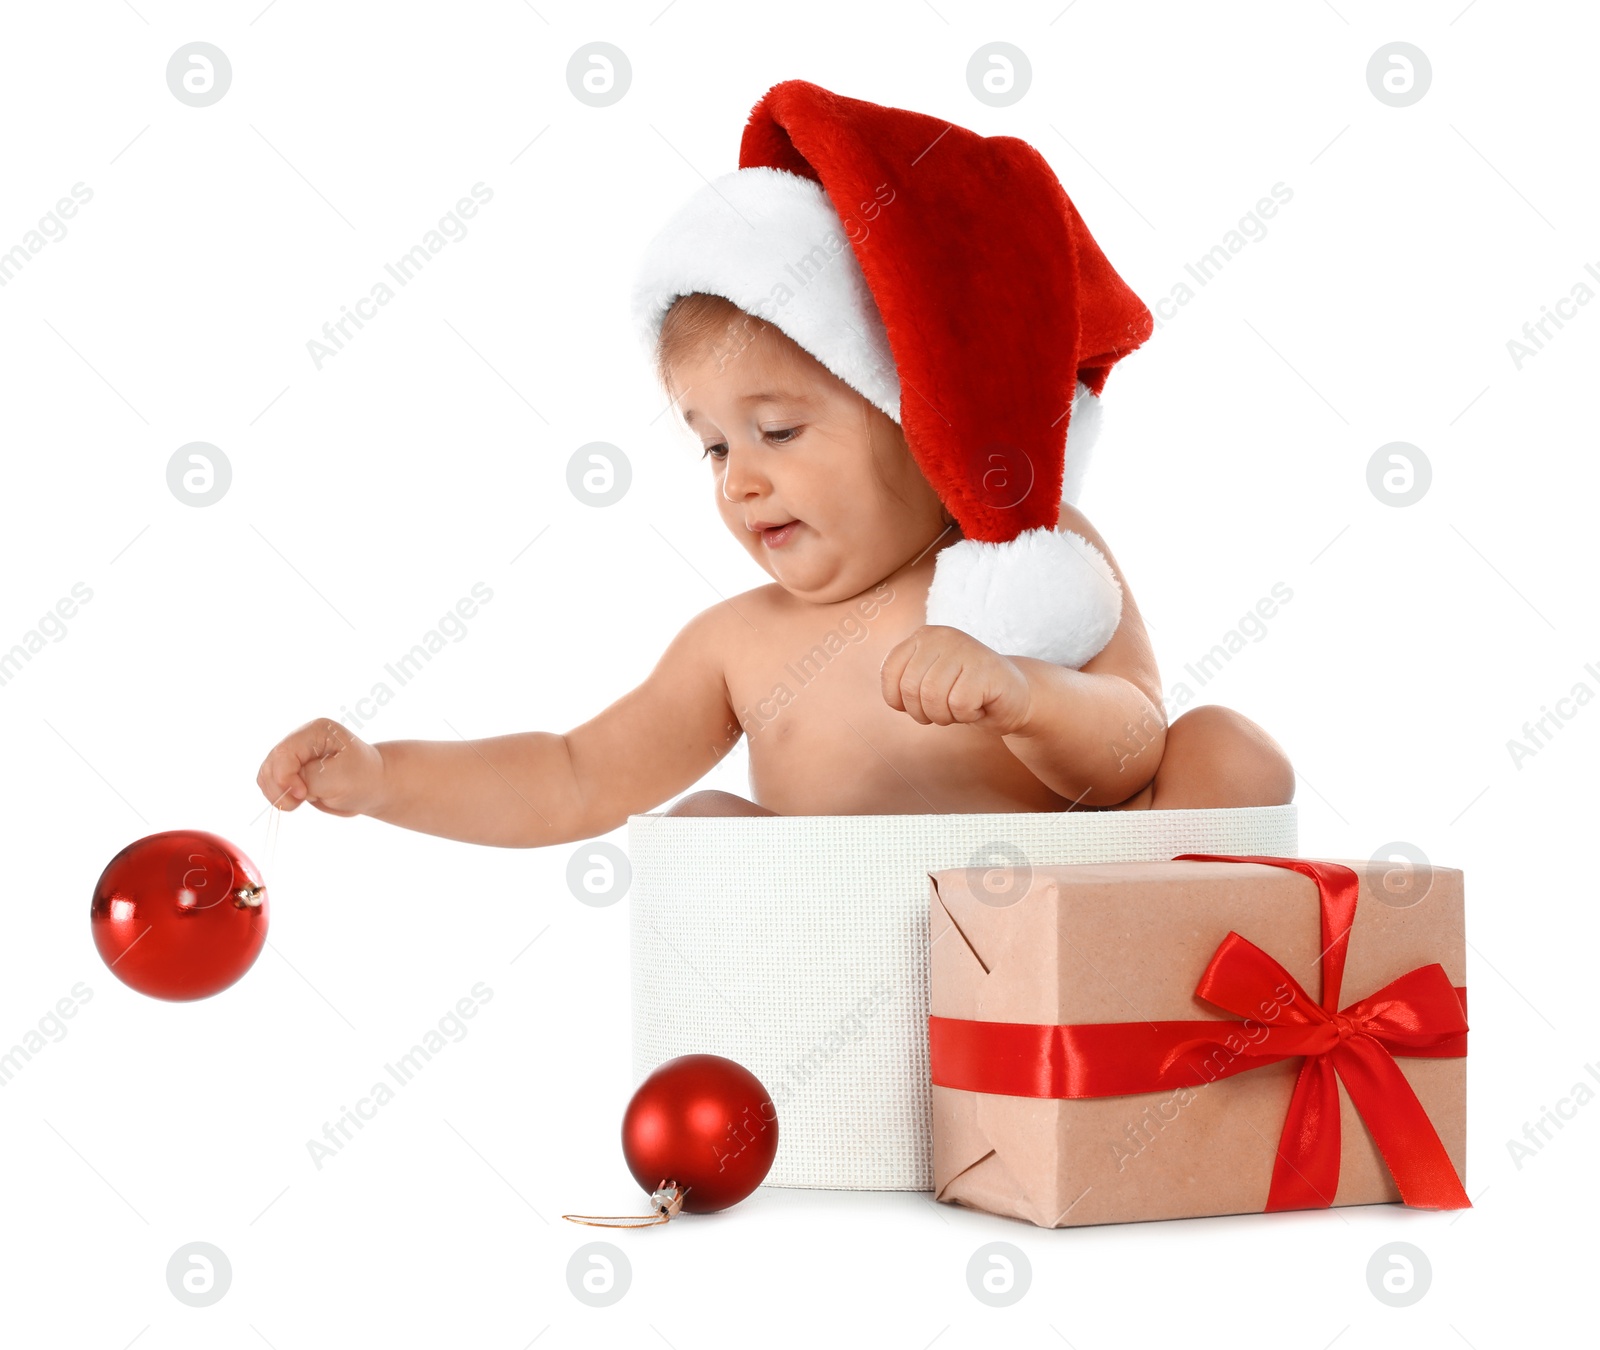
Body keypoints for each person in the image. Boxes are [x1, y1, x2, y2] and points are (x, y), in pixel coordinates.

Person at [256, 81, 1293, 842]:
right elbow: (572, 775)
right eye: (713, 446)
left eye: (779, 431)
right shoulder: (736, 649)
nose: (738, 480)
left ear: (916, 419)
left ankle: (1176, 1048)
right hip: (845, 994)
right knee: (706, 825)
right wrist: (385, 777)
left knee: (1228, 753)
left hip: (1064, 969)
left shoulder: (1032, 562)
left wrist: (1024, 695)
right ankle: (786, 1113)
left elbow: (1128, 755)